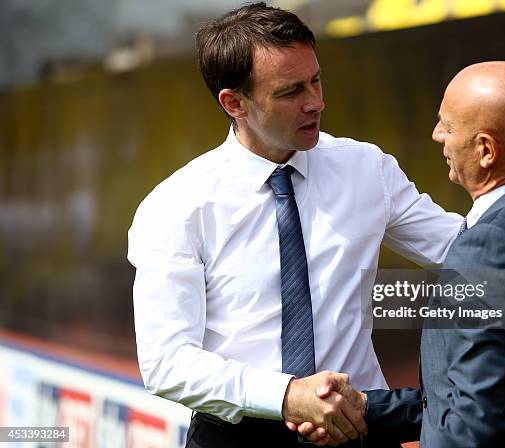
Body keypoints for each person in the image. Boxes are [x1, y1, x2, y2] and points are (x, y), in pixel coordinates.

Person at [127, 3, 464, 447]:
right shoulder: (176, 206)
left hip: (359, 430)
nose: (316, 102)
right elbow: (166, 362)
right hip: (238, 436)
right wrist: (288, 395)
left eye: (316, 80)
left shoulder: (366, 169)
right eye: (290, 92)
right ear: (234, 103)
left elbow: (461, 248)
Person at [293, 61, 505, 447]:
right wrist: (364, 407)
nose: (437, 136)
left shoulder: (486, 246)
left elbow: (475, 419)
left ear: (486, 150)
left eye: (448, 126)